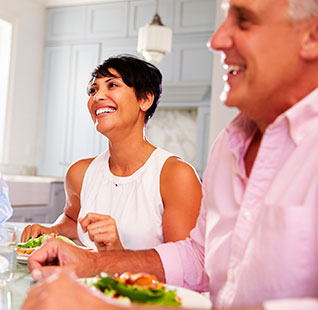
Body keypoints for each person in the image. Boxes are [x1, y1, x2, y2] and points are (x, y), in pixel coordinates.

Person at [23, 0, 318, 309]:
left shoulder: (176, 172)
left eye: (244, 20)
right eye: (93, 90)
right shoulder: (227, 148)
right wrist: (90, 262)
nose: (215, 40)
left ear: (311, 36)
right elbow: (197, 258)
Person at [21, 55, 202, 251]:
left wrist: (117, 253)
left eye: (113, 85)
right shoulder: (80, 173)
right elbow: (74, 220)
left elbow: (185, 268)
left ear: (145, 99)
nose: (97, 97)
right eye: (93, 90)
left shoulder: (176, 176)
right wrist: (51, 230)